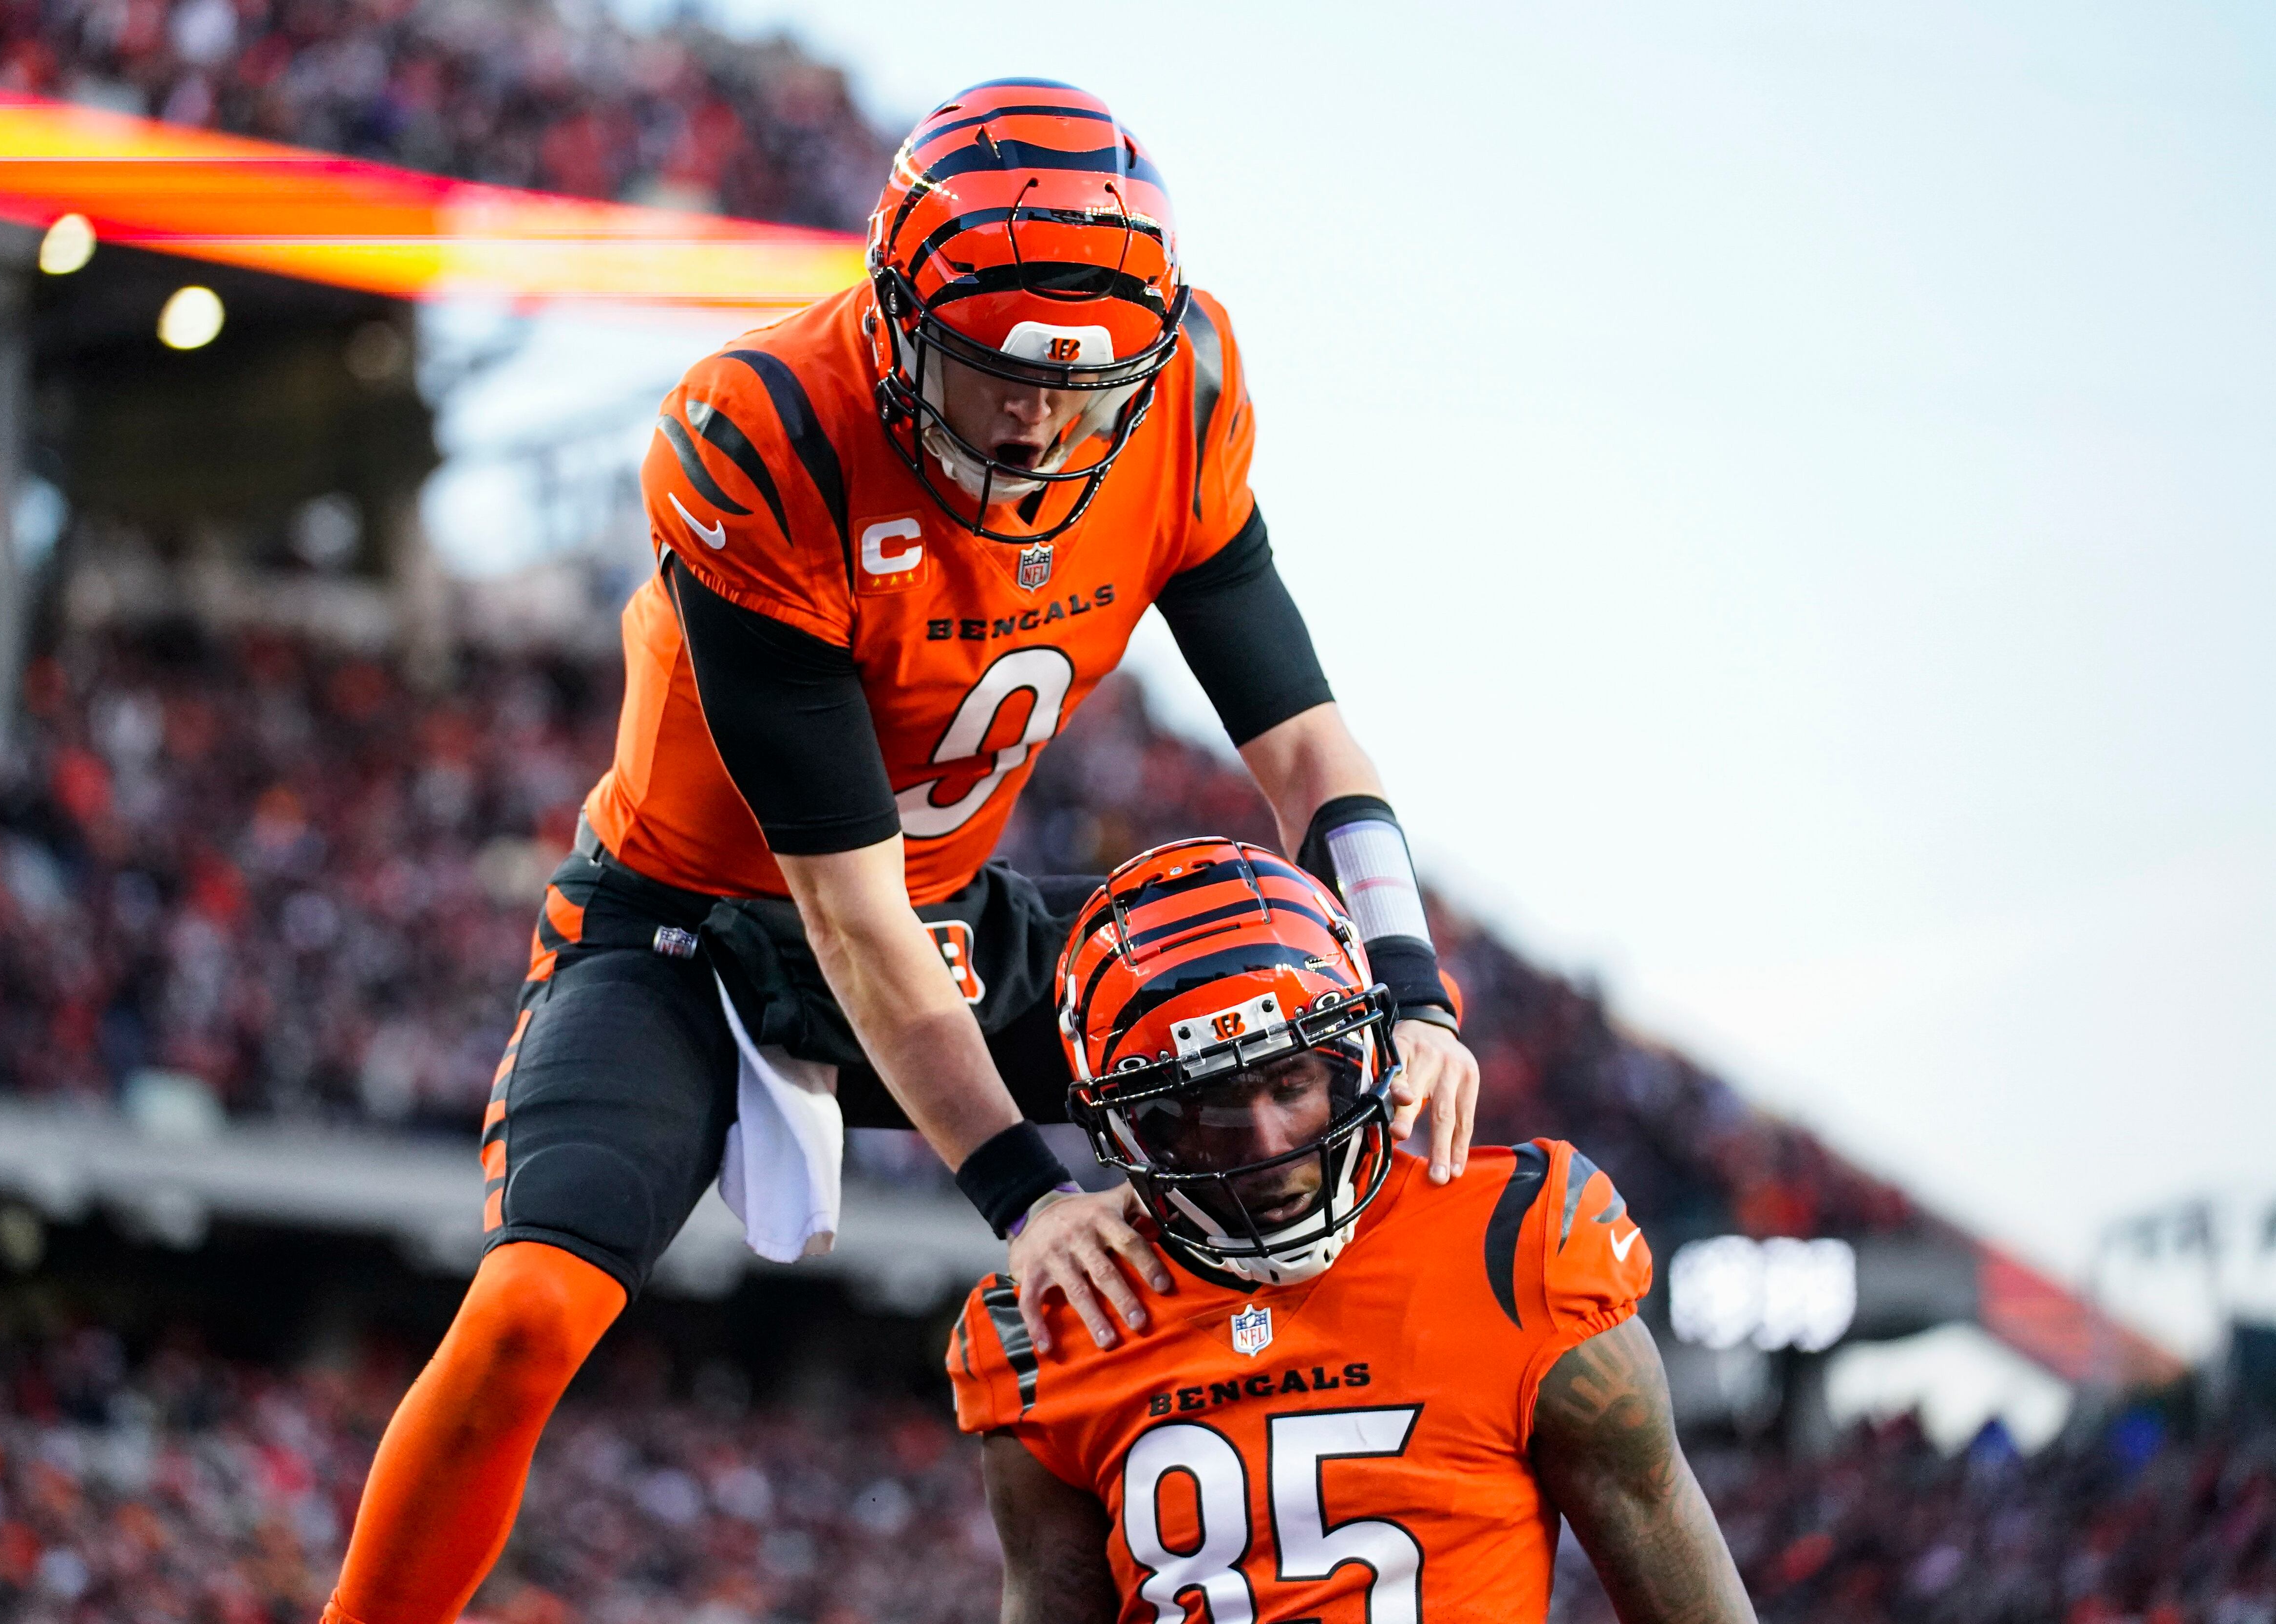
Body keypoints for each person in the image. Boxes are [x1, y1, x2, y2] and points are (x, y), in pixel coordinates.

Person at [322, 81, 1479, 1624]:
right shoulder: (773, 434)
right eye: (992, 370)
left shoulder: (1188, 394)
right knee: (533, 1307)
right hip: (693, 929)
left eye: (1078, 386)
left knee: (1303, 1039)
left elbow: (1308, 754)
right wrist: (1026, 1195)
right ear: (891, 316)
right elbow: (844, 907)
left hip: (944, 914)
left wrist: (1410, 986)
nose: (1033, 421)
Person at [950, 838, 1755, 1624]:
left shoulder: (1515, 1244)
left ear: (1365, 1054)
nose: (1267, 1145)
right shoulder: (1055, 1320)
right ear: (1128, 1127)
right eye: (1209, 1109)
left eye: (1293, 1081)